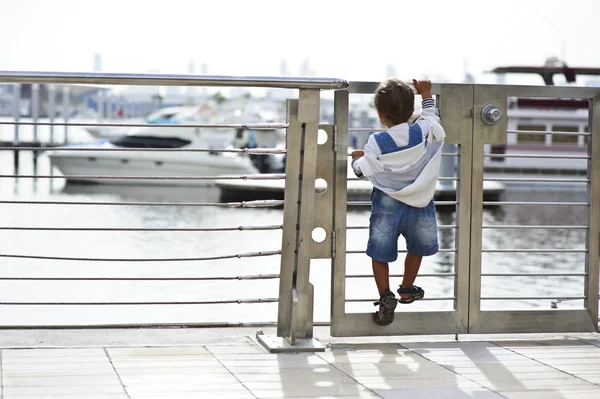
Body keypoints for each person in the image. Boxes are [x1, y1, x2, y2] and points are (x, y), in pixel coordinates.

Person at [351, 78, 445, 325]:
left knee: (380, 253)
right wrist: (426, 93)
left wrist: (357, 159)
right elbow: (432, 116)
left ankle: (385, 296)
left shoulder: (376, 143)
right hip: (420, 202)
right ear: (411, 111)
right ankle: (406, 287)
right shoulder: (423, 130)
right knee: (416, 248)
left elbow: (362, 171)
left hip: (387, 203)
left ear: (381, 116)